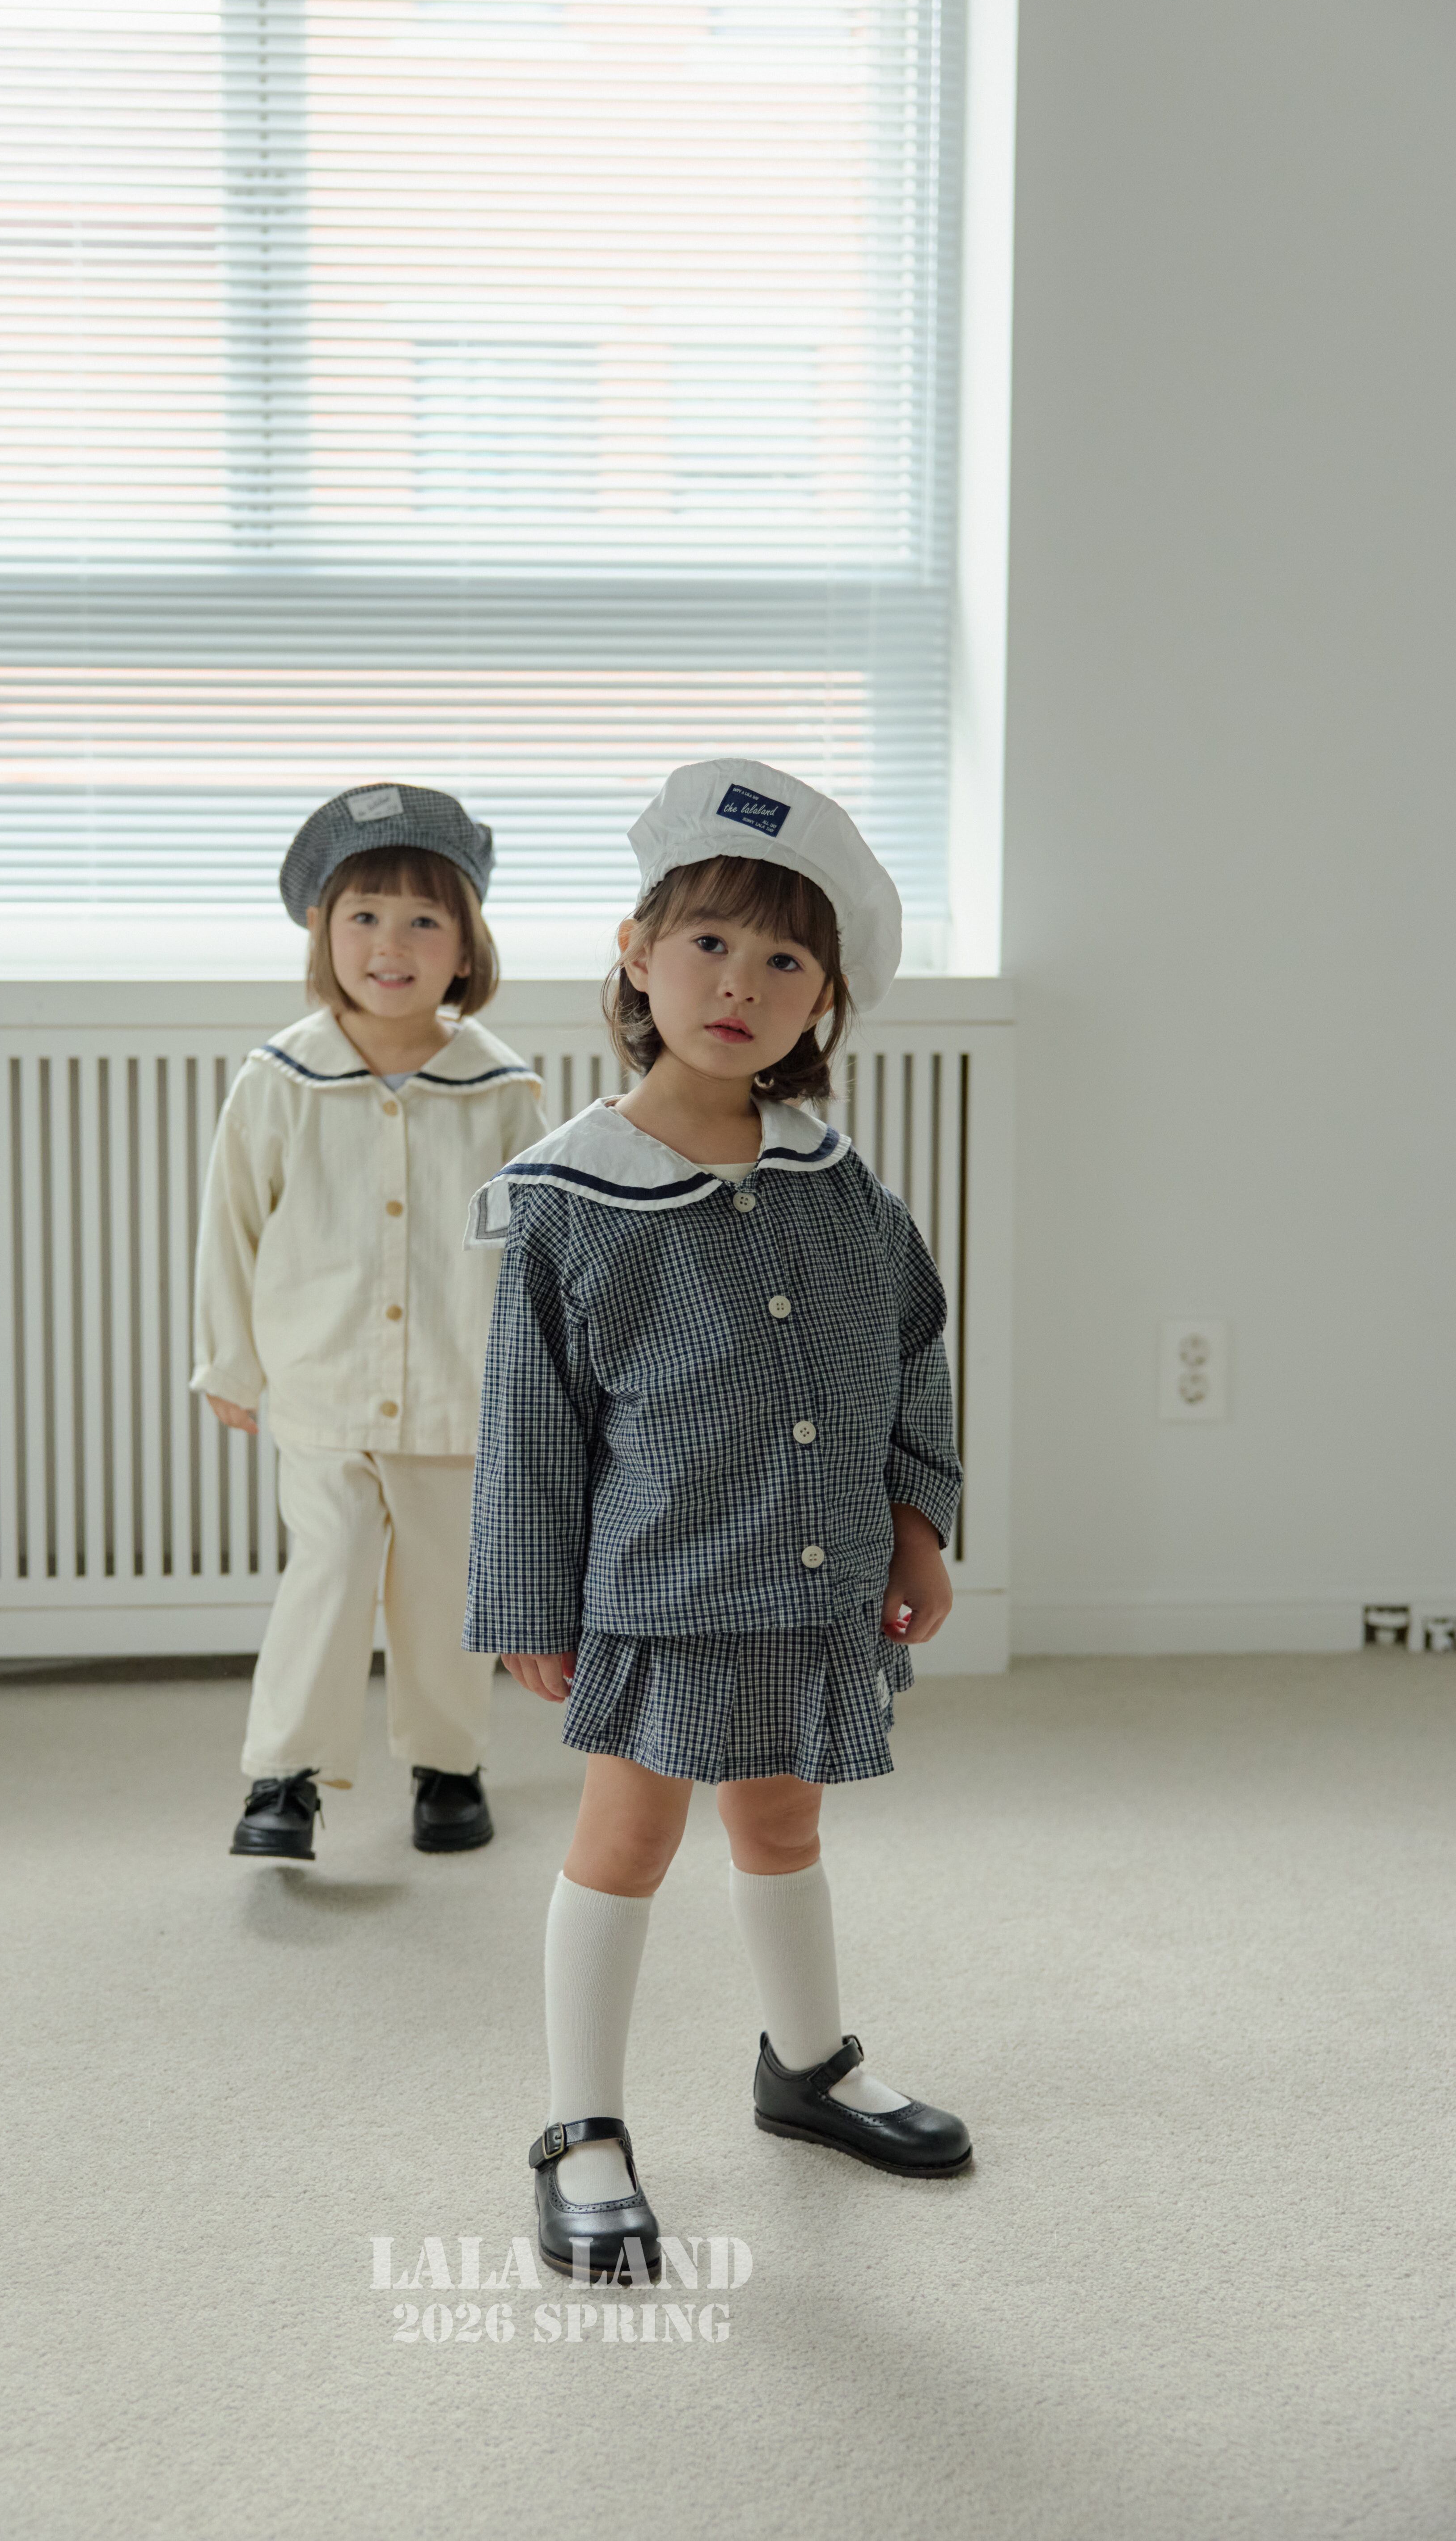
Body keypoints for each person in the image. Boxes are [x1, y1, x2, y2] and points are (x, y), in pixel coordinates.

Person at [464, 757, 970, 2279]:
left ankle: (807, 2067)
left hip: (816, 1581)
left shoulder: (841, 1185)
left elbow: (911, 1350)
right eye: (708, 943)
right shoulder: (571, 1200)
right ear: (636, 953)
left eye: (786, 959)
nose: (741, 983)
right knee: (627, 1838)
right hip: (661, 1589)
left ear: (824, 1000)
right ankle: (581, 2129)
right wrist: (529, 1605)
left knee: (783, 1821)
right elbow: (531, 1428)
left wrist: (917, 1521)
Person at [193, 783, 544, 1864]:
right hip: (322, 1386)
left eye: (423, 919)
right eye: (364, 916)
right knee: (330, 1568)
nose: (391, 944)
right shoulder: (278, 1081)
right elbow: (230, 1228)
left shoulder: (502, 1093)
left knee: (444, 1586)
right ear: (322, 931)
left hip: (457, 1393)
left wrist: (540, 1385)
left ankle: (448, 1764)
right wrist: (228, 1364)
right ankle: (283, 1776)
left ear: (465, 945)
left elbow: (537, 1256)